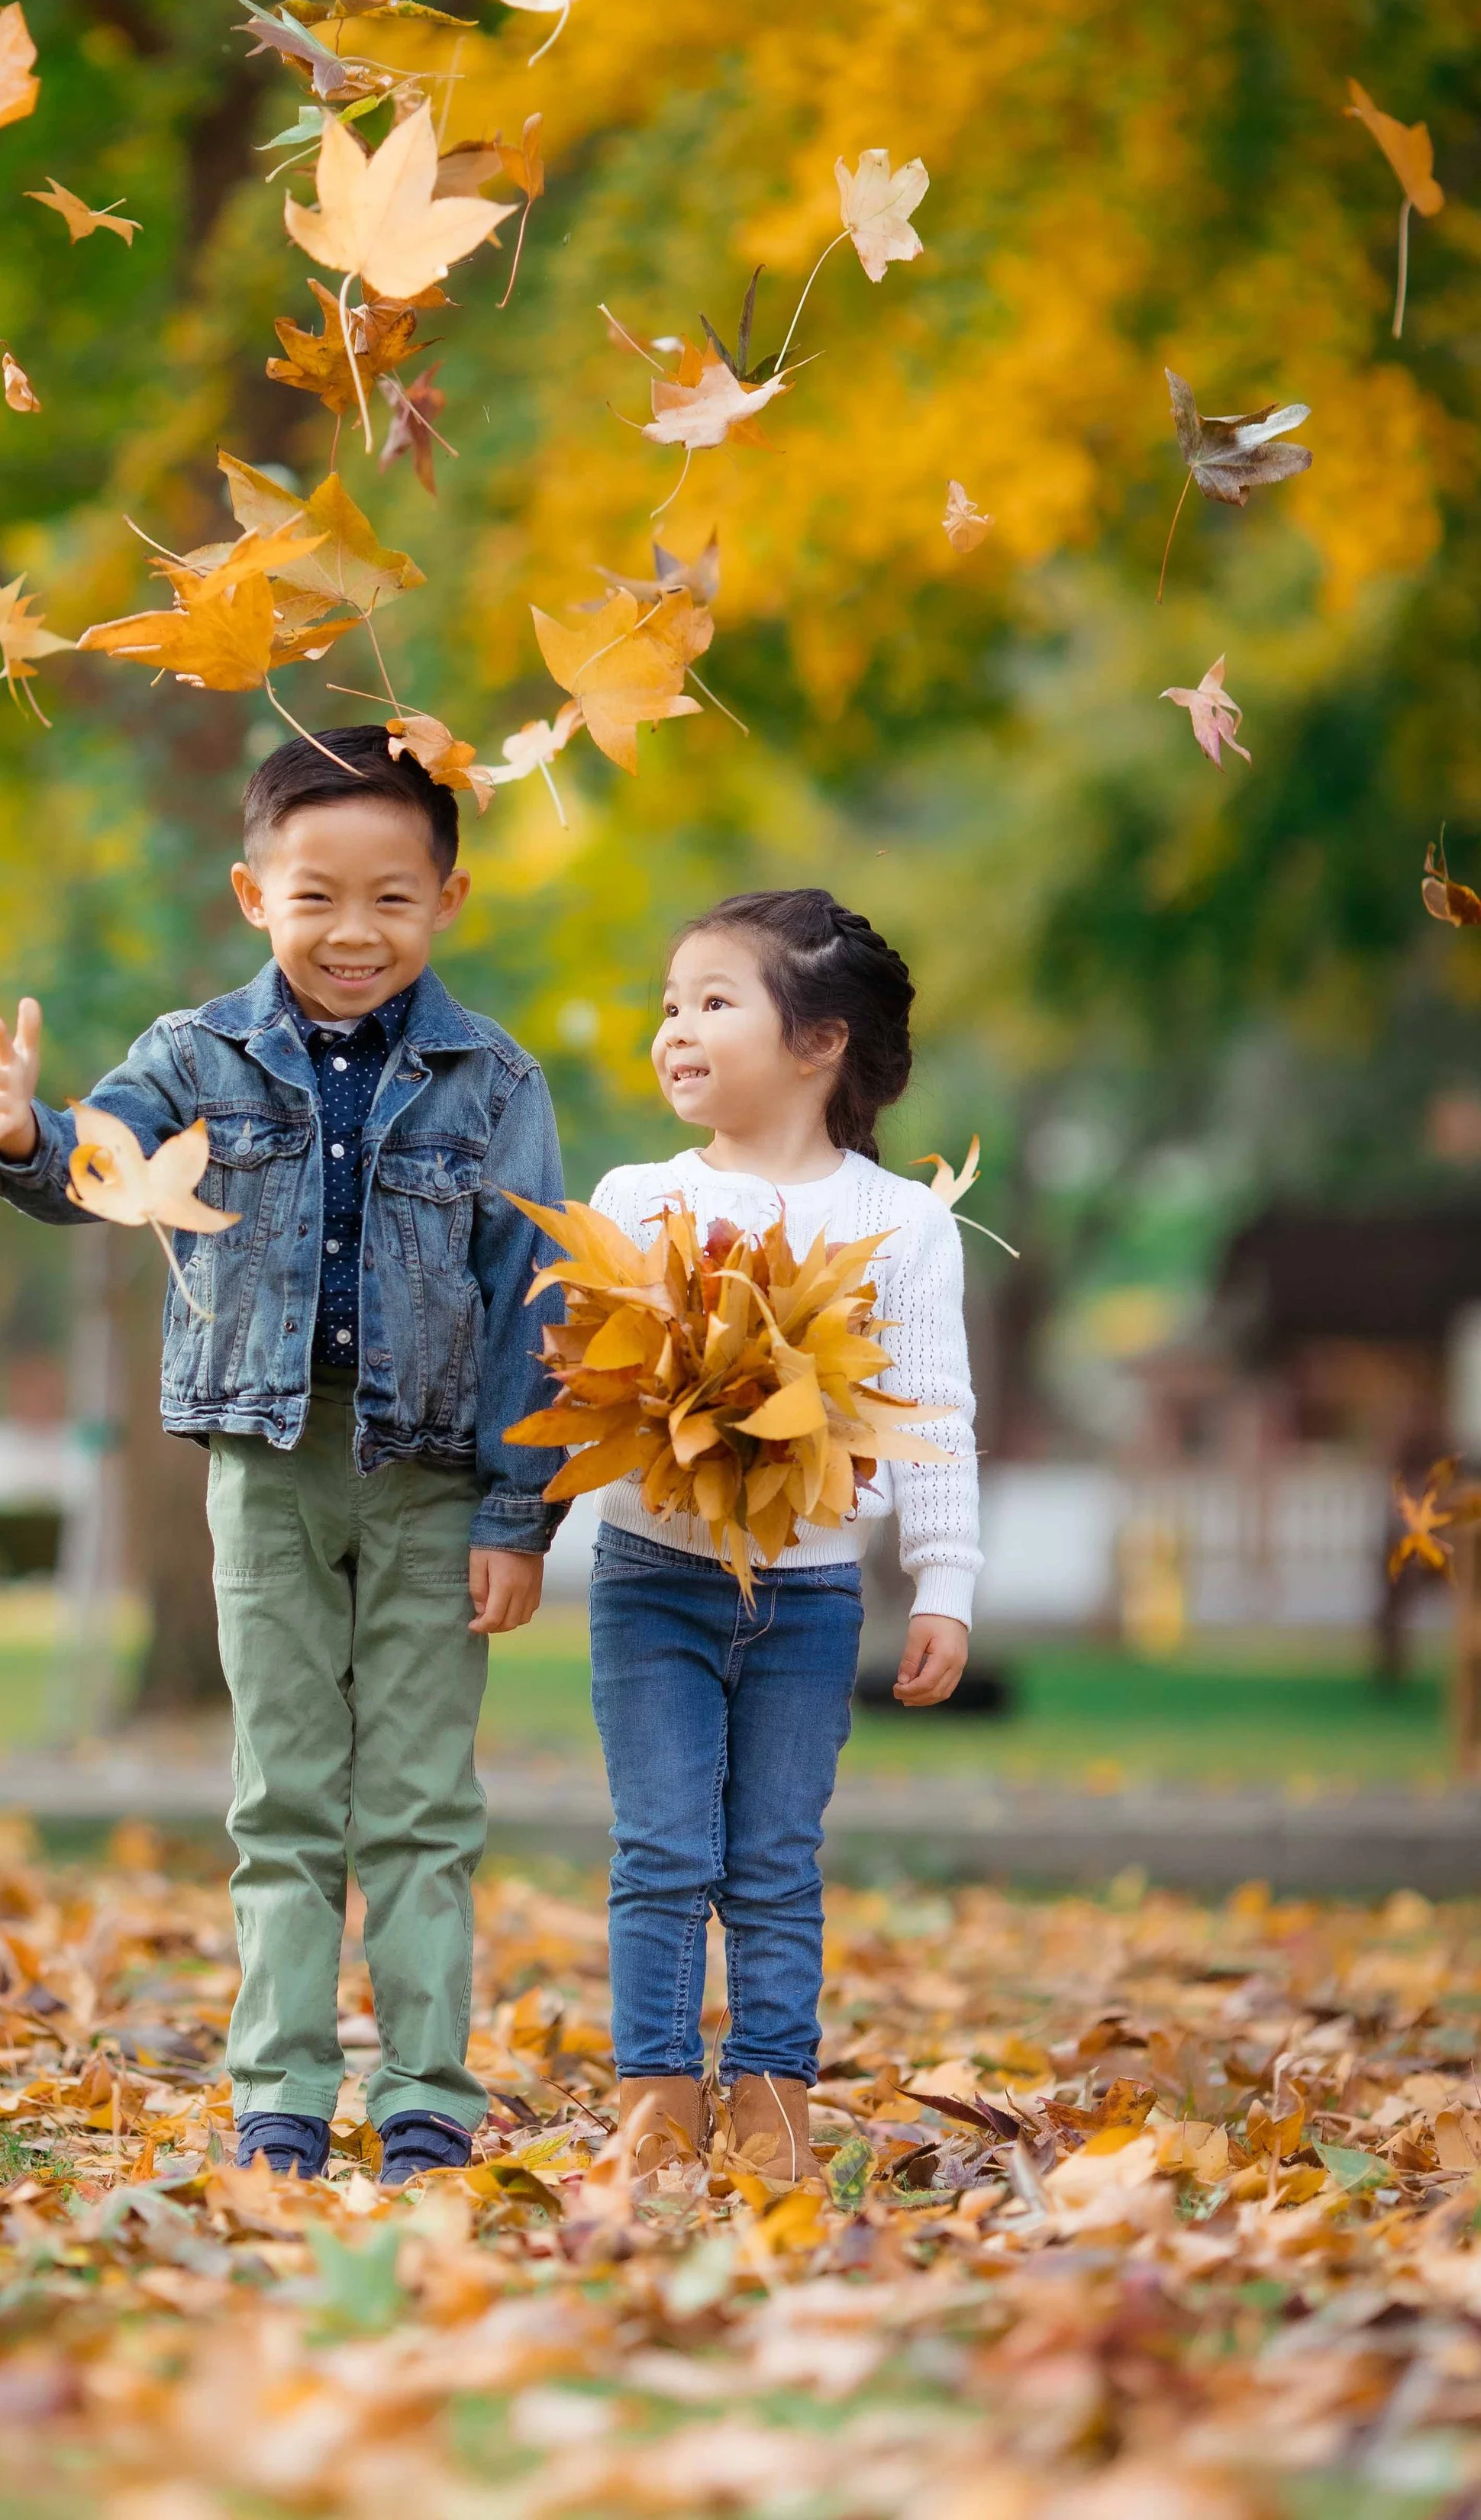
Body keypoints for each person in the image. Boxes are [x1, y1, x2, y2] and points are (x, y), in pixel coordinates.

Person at [0, 726, 563, 2186]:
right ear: (253, 896)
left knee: (421, 1801)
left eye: (392, 898)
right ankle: (281, 2095)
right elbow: (104, 1165)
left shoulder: (495, 1081)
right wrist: (30, 1136)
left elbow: (532, 1306)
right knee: (283, 1792)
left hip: (433, 1478)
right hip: (265, 1465)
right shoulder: (193, 1054)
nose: (355, 931)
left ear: (449, 899)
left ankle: (427, 2099)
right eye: (317, 897)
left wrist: (518, 1512)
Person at [585, 889, 980, 2185]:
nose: (675, 1027)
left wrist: (945, 1581)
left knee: (772, 1858)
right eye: (670, 1003)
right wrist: (520, 1525)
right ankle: (654, 2096)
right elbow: (578, 1382)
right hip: (653, 1577)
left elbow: (933, 1411)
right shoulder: (638, 1196)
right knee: (661, 1847)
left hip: (812, 1599)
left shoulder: (902, 1224)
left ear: (819, 1041)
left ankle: (771, 2099)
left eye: (714, 1000)